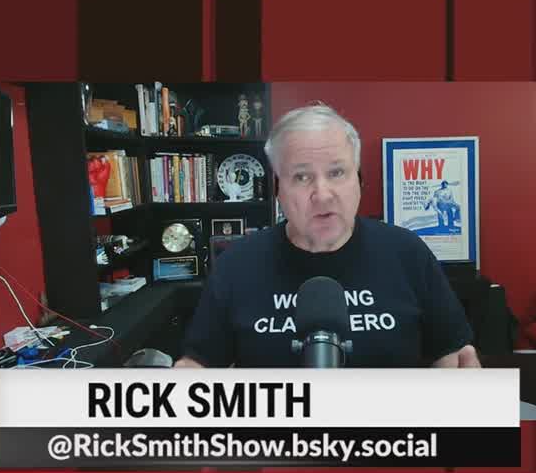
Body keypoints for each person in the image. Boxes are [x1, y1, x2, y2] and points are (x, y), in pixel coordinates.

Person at [175, 103, 479, 368]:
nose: (322, 195)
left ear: (358, 181)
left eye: (336, 173)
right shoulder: (237, 264)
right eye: (302, 176)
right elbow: (199, 363)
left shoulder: (407, 252)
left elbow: (453, 354)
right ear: (278, 190)